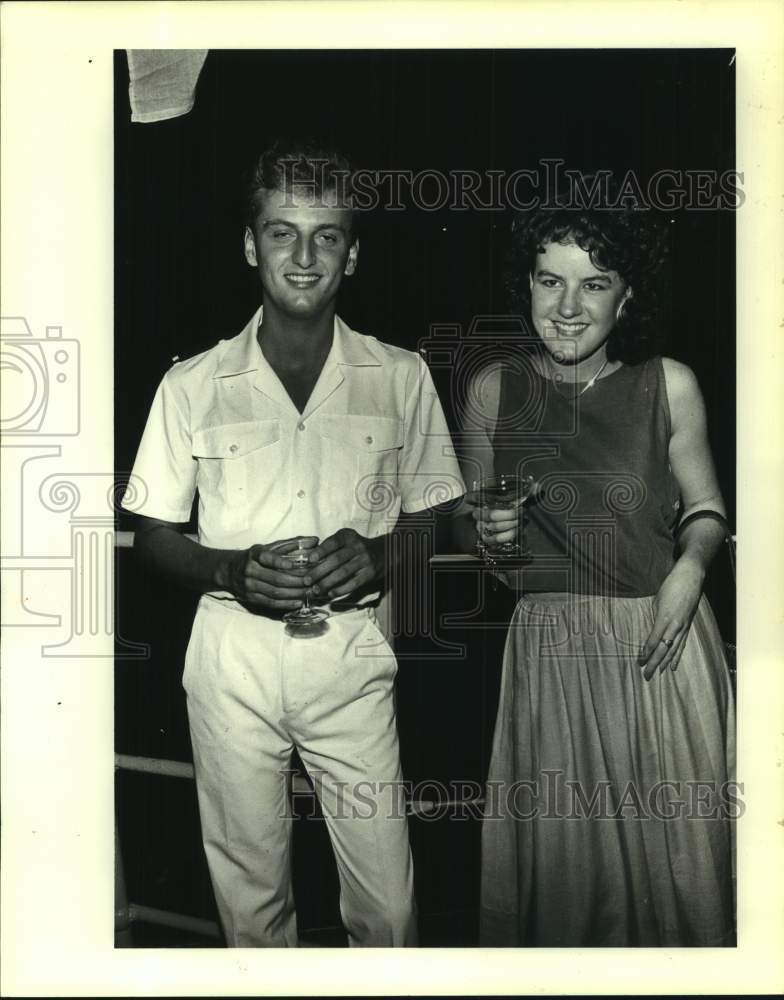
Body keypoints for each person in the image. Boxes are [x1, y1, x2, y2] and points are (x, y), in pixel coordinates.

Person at [121, 138, 465, 947]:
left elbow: (435, 517)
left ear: (353, 253)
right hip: (230, 663)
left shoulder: (402, 376)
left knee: (388, 908)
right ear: (250, 244)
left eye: (327, 235)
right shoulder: (190, 384)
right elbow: (151, 536)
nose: (304, 256)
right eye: (282, 232)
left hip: (352, 660)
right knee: (251, 905)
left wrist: (381, 554)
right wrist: (230, 569)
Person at [454, 194, 736, 946]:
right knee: (570, 894)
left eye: (595, 282)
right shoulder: (492, 393)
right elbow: (474, 523)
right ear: (528, 287)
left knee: (680, 884)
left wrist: (689, 572)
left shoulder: (668, 383)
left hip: (659, 648)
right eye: (551, 281)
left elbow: (706, 507)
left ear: (628, 293)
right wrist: (490, 529)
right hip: (550, 661)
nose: (569, 307)